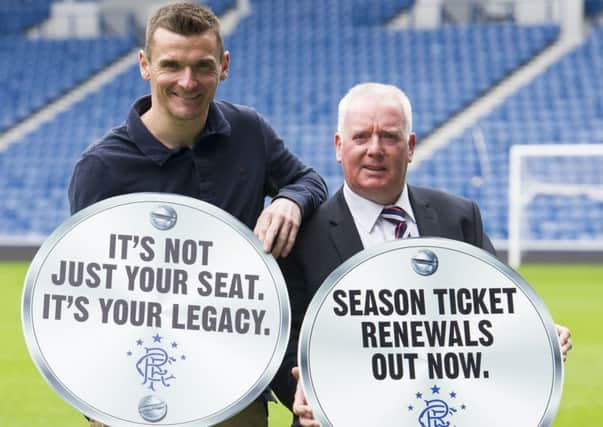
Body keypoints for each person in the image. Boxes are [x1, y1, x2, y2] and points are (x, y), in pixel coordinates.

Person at [68, 2, 327, 426]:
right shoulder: (101, 169)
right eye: (171, 65)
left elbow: (311, 180)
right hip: (139, 383)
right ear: (144, 66)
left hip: (235, 380)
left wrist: (289, 199)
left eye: (202, 67)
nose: (188, 82)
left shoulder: (249, 131)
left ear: (223, 66)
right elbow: (87, 296)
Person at [270, 82, 573, 426]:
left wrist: (537, 332)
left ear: (410, 146)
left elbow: (497, 307)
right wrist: (309, 393)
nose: (375, 149)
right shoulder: (301, 234)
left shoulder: (457, 216)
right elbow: (281, 343)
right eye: (361, 137)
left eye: (389, 137)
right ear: (339, 147)